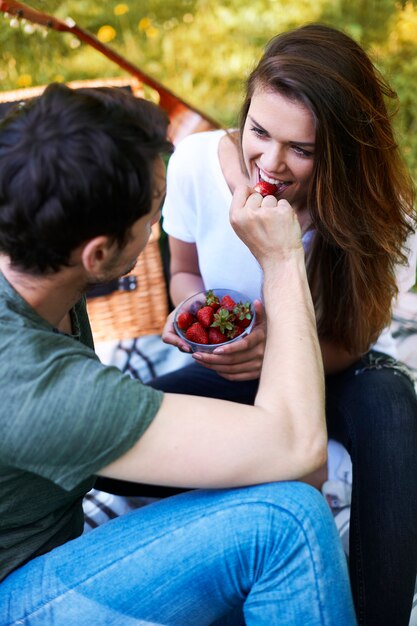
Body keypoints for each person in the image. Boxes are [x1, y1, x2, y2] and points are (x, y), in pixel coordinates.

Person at [0, 82, 357, 625]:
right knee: (286, 520)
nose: (154, 232)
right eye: (151, 213)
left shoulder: (30, 260)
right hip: (15, 595)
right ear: (97, 254)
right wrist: (283, 260)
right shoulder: (41, 388)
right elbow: (300, 452)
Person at [149, 23, 417, 626]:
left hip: (332, 370)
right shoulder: (195, 164)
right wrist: (195, 320)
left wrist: (281, 346)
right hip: (232, 369)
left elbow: (355, 337)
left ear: (343, 155)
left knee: (394, 403)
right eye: (259, 132)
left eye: (302, 149)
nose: (270, 163)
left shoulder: (376, 214)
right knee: (122, 436)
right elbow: (184, 272)